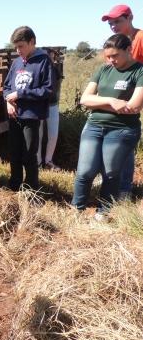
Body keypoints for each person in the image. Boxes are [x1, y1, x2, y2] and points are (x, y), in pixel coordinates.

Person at [71, 34, 143, 218]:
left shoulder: (139, 72)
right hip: (94, 126)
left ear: (128, 50)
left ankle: (103, 211)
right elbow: (85, 100)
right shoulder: (103, 70)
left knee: (110, 172)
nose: (111, 60)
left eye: (115, 55)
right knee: (85, 172)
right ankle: (76, 210)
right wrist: (112, 101)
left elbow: (133, 107)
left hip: (122, 130)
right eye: (108, 56)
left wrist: (98, 102)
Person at [3, 26, 54, 191]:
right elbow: (7, 87)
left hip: (31, 116)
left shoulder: (43, 61)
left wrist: (20, 94)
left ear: (32, 42)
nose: (18, 50)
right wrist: (8, 102)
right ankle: (14, 186)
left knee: (29, 154)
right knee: (14, 153)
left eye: (21, 46)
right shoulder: (17, 62)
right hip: (14, 115)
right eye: (16, 47)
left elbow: (47, 90)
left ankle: (32, 189)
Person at [102, 4, 143, 199]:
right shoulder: (113, 44)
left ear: (130, 17)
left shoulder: (140, 38)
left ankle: (124, 188)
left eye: (118, 21)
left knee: (127, 143)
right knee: (118, 143)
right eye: (111, 23)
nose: (114, 26)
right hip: (117, 105)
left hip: (135, 103)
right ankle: (115, 183)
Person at [37, 48, 63, 170]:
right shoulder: (37, 69)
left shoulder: (55, 70)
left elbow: (57, 88)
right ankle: (37, 163)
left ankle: (48, 161)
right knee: (38, 135)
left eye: (52, 56)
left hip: (52, 105)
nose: (50, 58)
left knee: (53, 134)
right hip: (39, 106)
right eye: (48, 55)